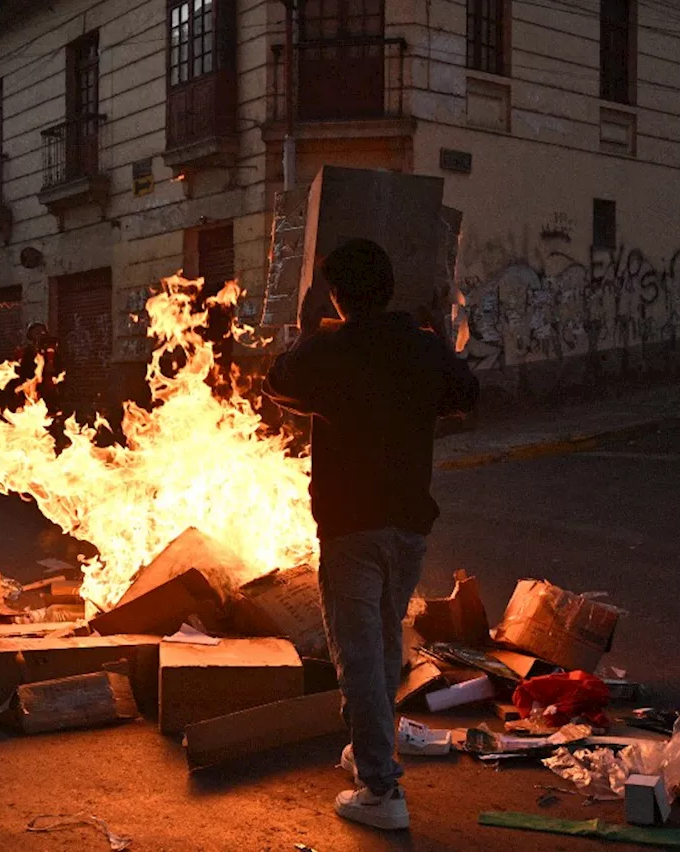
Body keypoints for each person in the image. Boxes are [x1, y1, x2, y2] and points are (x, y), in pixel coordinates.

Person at [262, 239, 478, 832]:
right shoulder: (420, 346)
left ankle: (381, 789)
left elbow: (275, 382)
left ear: (337, 296)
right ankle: (368, 751)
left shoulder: (331, 350)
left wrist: (309, 333)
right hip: (408, 524)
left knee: (358, 652)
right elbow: (467, 394)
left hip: (351, 525)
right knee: (382, 642)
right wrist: (437, 334)